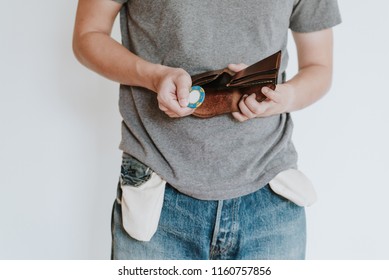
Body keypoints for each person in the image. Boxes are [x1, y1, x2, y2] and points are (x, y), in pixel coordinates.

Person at [73, 0, 341, 260]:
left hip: (271, 196)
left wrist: (285, 97)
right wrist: (153, 76)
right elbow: (88, 35)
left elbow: (318, 66)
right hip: (156, 187)